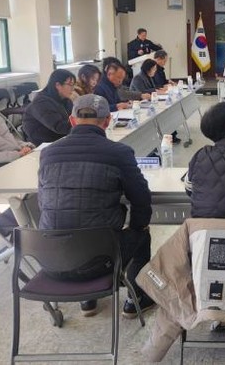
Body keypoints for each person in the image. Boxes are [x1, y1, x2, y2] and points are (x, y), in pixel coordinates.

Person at [38, 94, 154, 318]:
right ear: (108, 120)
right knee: (142, 232)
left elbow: (43, 202)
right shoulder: (119, 153)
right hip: (101, 262)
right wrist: (136, 227)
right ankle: (135, 298)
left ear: (72, 120)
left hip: (52, 260)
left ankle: (87, 299)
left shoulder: (48, 153)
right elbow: (141, 199)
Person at [22, 69, 75, 146]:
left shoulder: (65, 100)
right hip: (44, 143)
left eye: (73, 85)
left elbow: (72, 118)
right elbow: (59, 127)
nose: (73, 88)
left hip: (62, 139)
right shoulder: (41, 102)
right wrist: (82, 123)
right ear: (58, 85)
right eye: (70, 85)